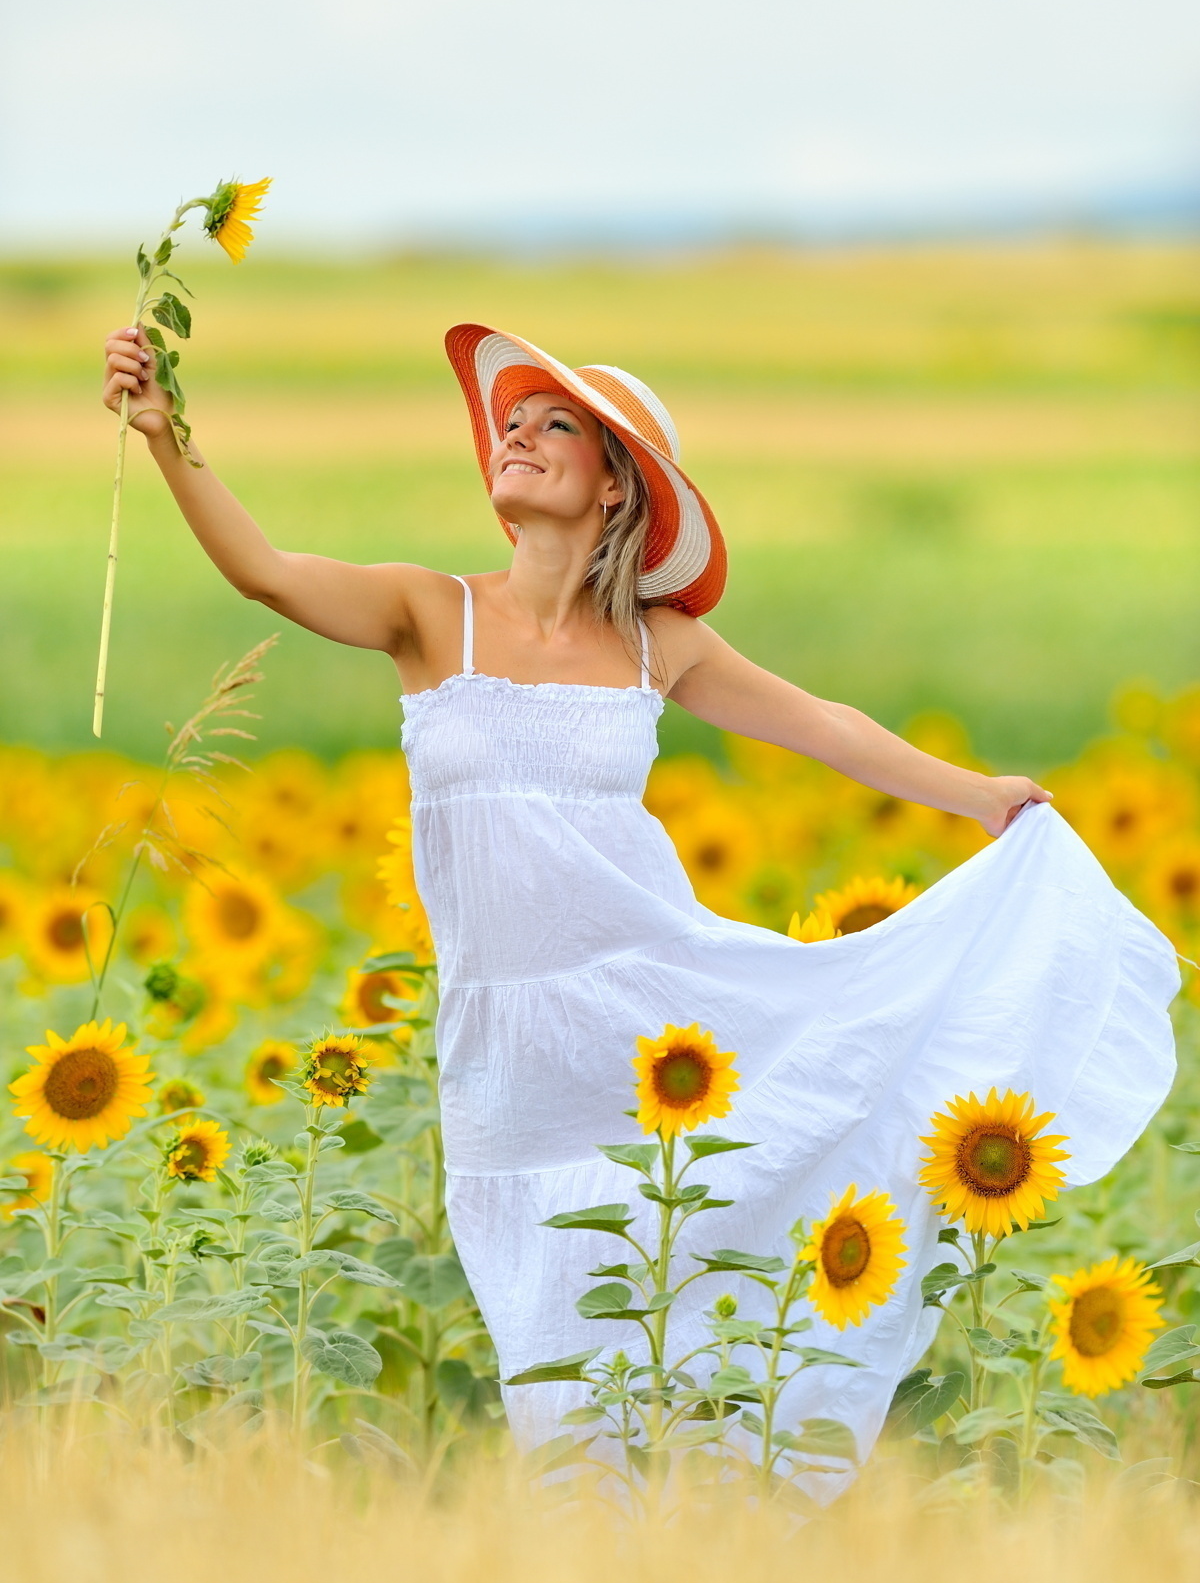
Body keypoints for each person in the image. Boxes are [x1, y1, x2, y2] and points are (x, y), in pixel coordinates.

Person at [103, 319, 1179, 1477]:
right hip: (507, 1053)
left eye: (551, 423)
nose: (515, 434)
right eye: (509, 424)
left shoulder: (655, 643)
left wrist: (980, 797)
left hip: (659, 1021)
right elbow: (265, 571)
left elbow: (822, 726)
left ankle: (708, 1551)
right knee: (555, 1366)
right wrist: (170, 437)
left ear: (615, 487)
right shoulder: (429, 612)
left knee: (703, 1315)